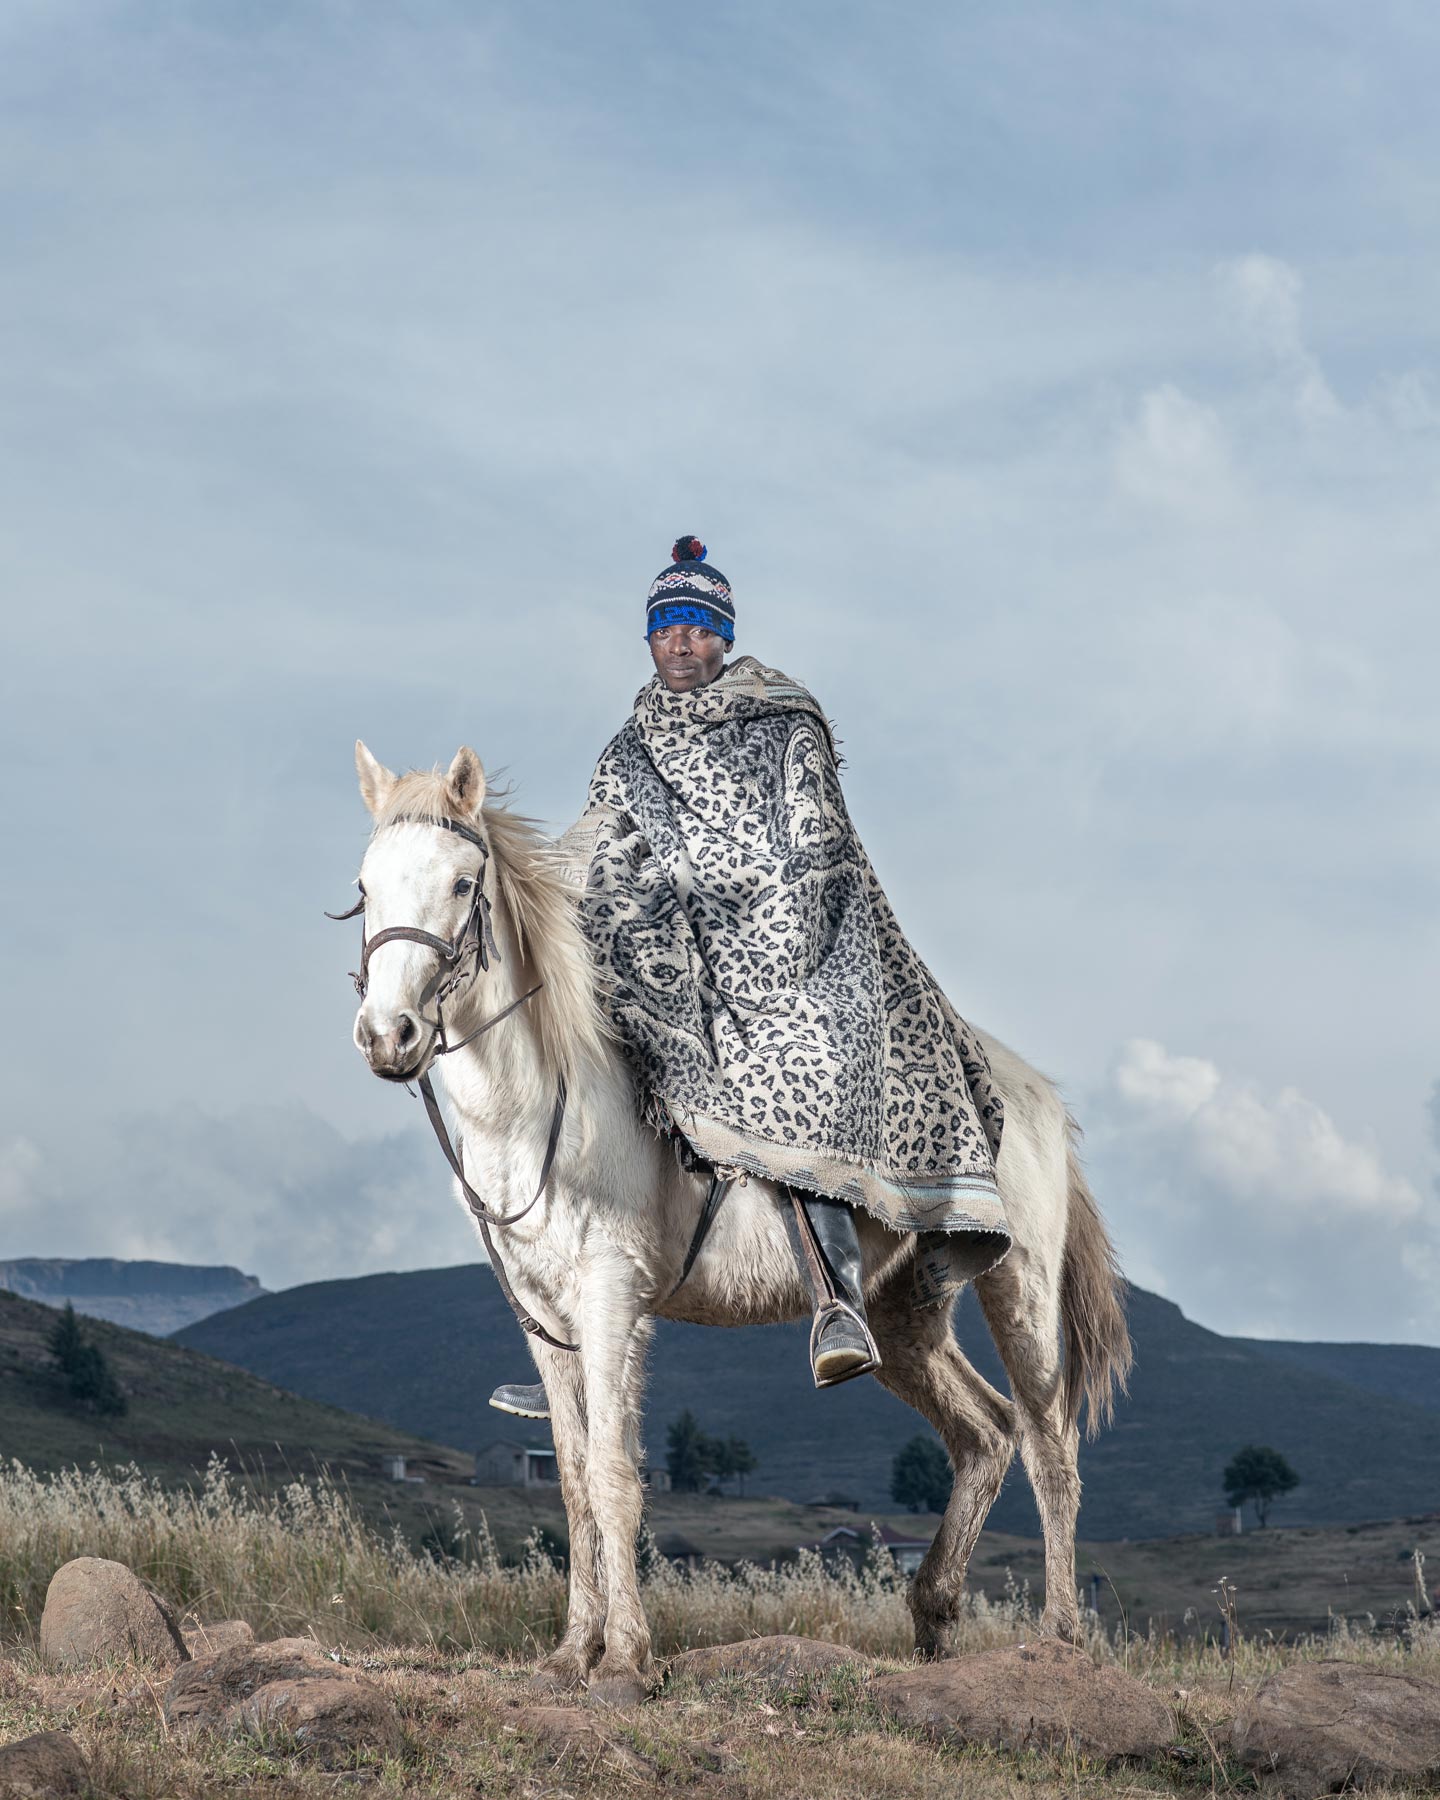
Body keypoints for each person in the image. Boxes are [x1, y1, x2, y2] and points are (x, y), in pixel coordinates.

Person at [490, 537, 1007, 1421]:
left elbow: (814, 846)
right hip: (676, 953)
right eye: (666, 629)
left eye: (696, 628)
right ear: (648, 641)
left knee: (788, 1071)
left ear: (723, 637)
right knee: (585, 1058)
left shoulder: (782, 725)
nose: (680, 644)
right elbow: (597, 841)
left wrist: (704, 885)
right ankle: (577, 1327)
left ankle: (837, 1301)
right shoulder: (632, 746)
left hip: (790, 947)